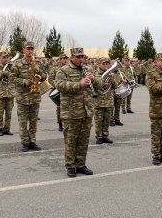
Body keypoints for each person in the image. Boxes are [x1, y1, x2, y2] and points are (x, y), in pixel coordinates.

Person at [55, 48, 102, 178]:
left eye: (83, 57)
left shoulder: (88, 69)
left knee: (83, 140)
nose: (81, 59)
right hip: (71, 113)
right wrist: (79, 84)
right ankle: (70, 165)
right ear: (72, 57)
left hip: (86, 111)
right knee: (71, 140)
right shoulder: (63, 70)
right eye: (78, 57)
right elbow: (60, 85)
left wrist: (94, 80)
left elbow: (100, 84)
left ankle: (81, 164)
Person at [10, 41, 47, 152]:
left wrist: (40, 76)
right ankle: (25, 142)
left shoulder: (37, 63)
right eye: (28, 48)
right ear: (23, 50)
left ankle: (32, 141)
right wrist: (25, 81)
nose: (30, 51)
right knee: (23, 121)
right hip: (22, 97)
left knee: (33, 121)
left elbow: (45, 76)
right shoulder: (17, 64)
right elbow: (12, 78)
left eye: (32, 48)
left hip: (35, 96)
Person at [94, 57, 118, 144]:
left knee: (106, 120)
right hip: (98, 101)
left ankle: (105, 135)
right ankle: (99, 136)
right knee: (98, 120)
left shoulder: (111, 74)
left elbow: (115, 87)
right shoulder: (95, 73)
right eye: (103, 64)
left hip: (108, 100)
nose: (105, 65)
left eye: (107, 64)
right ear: (99, 64)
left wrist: (112, 79)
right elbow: (96, 86)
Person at [0, 52, 15, 136]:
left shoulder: (11, 66)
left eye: (7, 57)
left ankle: (7, 128)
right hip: (0, 94)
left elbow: (15, 76)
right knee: (0, 113)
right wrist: (2, 72)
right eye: (4, 57)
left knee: (9, 113)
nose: (6, 59)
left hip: (10, 93)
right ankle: (0, 128)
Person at [48, 53, 68, 132]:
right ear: (60, 60)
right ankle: (60, 123)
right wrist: (57, 85)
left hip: (67, 89)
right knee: (60, 107)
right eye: (63, 58)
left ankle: (67, 123)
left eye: (66, 58)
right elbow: (50, 79)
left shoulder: (69, 68)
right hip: (59, 89)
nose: (65, 60)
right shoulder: (55, 69)